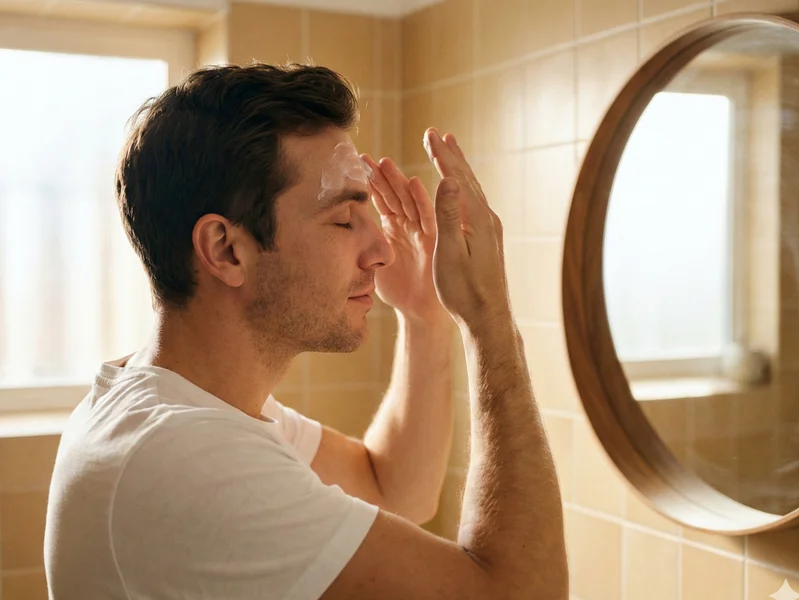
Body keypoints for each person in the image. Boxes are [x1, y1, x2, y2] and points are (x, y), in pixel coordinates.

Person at [44, 63, 569, 599]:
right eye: (344, 220)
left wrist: (422, 317)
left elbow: (394, 489)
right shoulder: (183, 457)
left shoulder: (180, 404)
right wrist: (489, 323)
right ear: (227, 250)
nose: (383, 249)